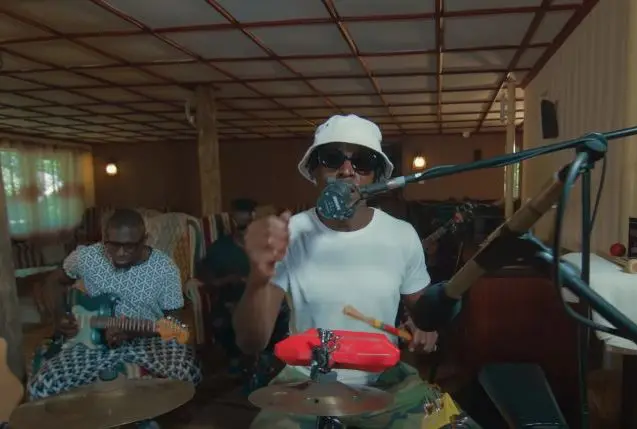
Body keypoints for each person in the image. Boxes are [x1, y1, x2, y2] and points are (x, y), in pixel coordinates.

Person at [234, 114, 480, 428]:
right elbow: (250, 342)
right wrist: (257, 278)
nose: (347, 170)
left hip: (386, 381)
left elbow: (423, 313)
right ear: (315, 170)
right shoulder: (288, 235)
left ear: (376, 176)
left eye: (362, 162)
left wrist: (425, 327)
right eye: (332, 158)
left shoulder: (401, 235)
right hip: (304, 381)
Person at [28, 209, 202, 428]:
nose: (120, 253)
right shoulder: (87, 257)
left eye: (129, 246)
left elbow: (175, 326)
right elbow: (53, 281)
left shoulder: (165, 269)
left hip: (146, 340)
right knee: (42, 385)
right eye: (113, 245)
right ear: (104, 240)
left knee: (188, 372)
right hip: (92, 342)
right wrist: (58, 316)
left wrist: (134, 331)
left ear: (144, 240)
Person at [198, 198, 289, 374]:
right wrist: (229, 280)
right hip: (230, 302)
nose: (248, 219)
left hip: (265, 301)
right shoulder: (220, 248)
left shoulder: (270, 248)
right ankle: (240, 363)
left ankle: (270, 360)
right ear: (233, 218)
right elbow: (206, 279)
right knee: (225, 319)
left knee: (281, 309)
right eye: (242, 214)